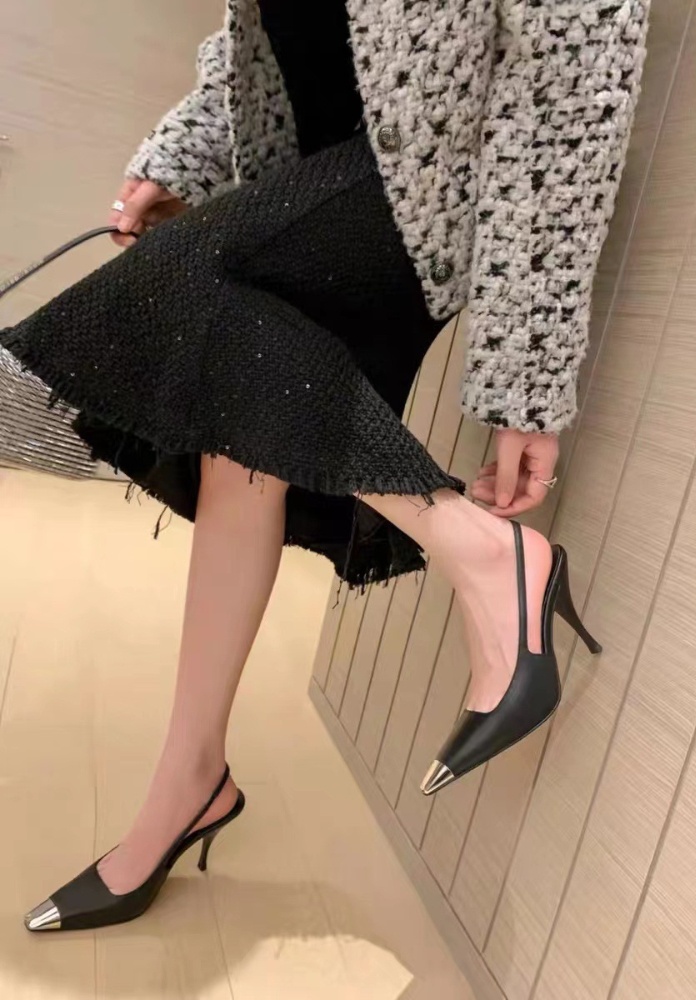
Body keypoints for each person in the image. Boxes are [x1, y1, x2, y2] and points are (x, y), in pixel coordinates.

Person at [1, 0, 649, 932]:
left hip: (422, 184)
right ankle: (192, 780)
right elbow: (261, 35)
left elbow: (574, 72)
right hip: (311, 165)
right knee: (242, 452)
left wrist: (529, 370)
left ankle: (484, 554)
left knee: (183, 281)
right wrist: (178, 155)